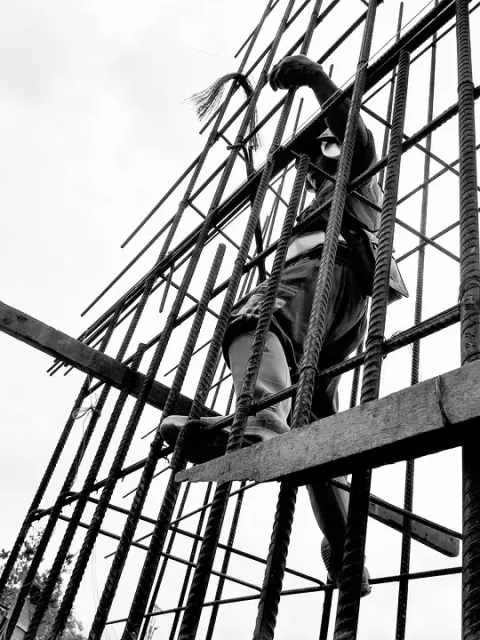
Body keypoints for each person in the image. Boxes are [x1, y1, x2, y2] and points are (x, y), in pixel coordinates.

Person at [161, 55, 396, 596]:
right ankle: (346, 551)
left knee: (252, 318)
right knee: (313, 428)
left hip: (324, 272)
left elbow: (354, 130)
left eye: (318, 156)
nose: (309, 170)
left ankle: (260, 420)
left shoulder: (358, 172)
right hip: (339, 302)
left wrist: (314, 79)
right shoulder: (329, 198)